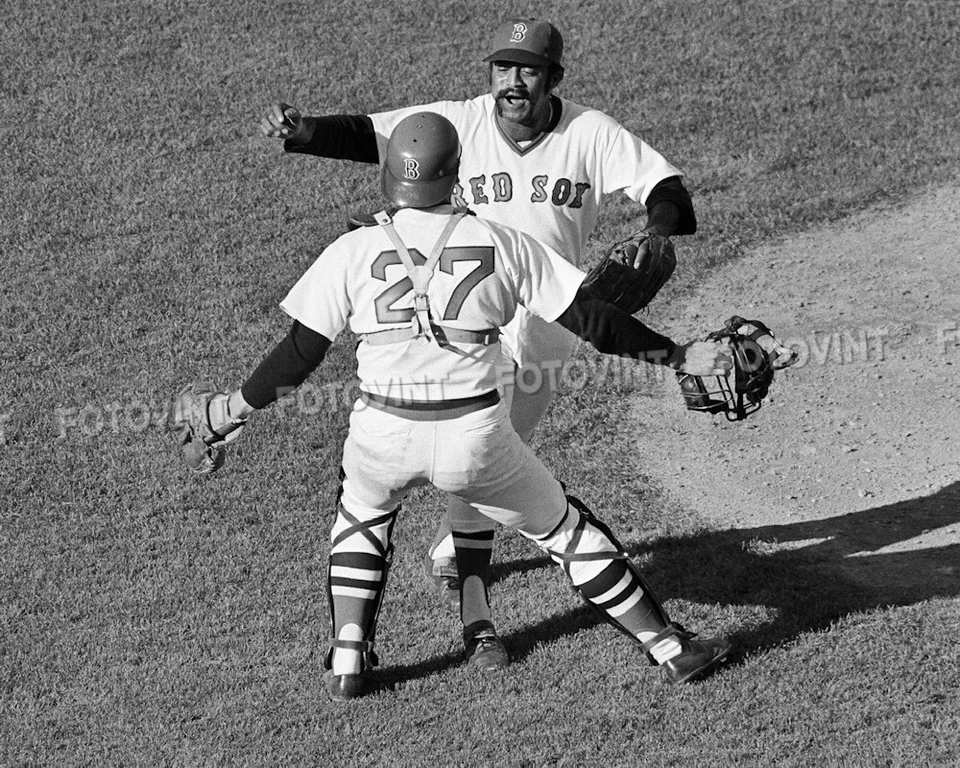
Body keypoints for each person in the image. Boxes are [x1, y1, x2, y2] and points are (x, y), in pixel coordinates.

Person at [204, 112, 732, 701]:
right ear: (457, 173)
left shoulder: (352, 249)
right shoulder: (502, 242)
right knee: (565, 531)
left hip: (381, 431)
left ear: (389, 177)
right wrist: (679, 354)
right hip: (475, 437)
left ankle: (349, 658)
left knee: (359, 519)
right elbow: (594, 322)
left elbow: (298, 355)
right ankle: (671, 648)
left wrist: (230, 410)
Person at [260, 18, 699, 611]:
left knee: (500, 441)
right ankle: (473, 594)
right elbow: (374, 136)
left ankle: (454, 554)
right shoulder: (460, 120)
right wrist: (306, 129)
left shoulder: (591, 133)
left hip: (552, 318)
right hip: (465, 317)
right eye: (502, 69)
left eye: (528, 71)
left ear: (554, 78)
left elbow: (667, 185)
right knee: (483, 436)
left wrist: (656, 228)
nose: (513, 83)